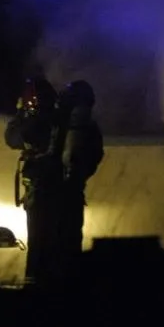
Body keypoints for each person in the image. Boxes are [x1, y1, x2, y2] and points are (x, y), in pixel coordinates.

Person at [4, 77, 62, 285]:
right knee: (52, 238)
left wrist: (21, 114)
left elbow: (13, 138)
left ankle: (35, 282)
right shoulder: (58, 118)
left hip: (40, 185)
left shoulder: (37, 120)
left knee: (38, 238)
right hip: (54, 185)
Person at [55, 80, 104, 282]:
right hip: (72, 192)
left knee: (57, 244)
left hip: (58, 194)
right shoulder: (89, 128)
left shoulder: (62, 124)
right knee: (71, 241)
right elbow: (95, 156)